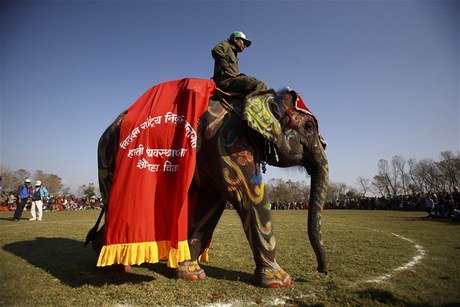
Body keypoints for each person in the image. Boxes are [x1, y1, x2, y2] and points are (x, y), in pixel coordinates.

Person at [212, 31, 267, 96]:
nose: (245, 46)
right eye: (243, 42)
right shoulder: (226, 44)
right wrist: (229, 71)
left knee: (252, 80)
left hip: (230, 80)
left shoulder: (234, 53)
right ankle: (256, 106)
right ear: (235, 39)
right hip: (225, 81)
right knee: (259, 84)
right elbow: (216, 50)